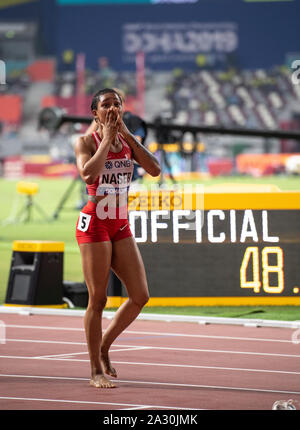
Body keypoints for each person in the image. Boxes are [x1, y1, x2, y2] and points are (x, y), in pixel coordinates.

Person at [74, 88, 160, 388]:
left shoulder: (126, 139)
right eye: (105, 105)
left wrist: (124, 134)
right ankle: (95, 370)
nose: (112, 109)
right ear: (94, 112)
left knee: (140, 295)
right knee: (98, 298)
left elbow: (154, 169)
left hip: (119, 223)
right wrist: (107, 138)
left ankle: (104, 345)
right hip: (94, 223)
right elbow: (89, 175)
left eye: (117, 104)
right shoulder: (86, 141)